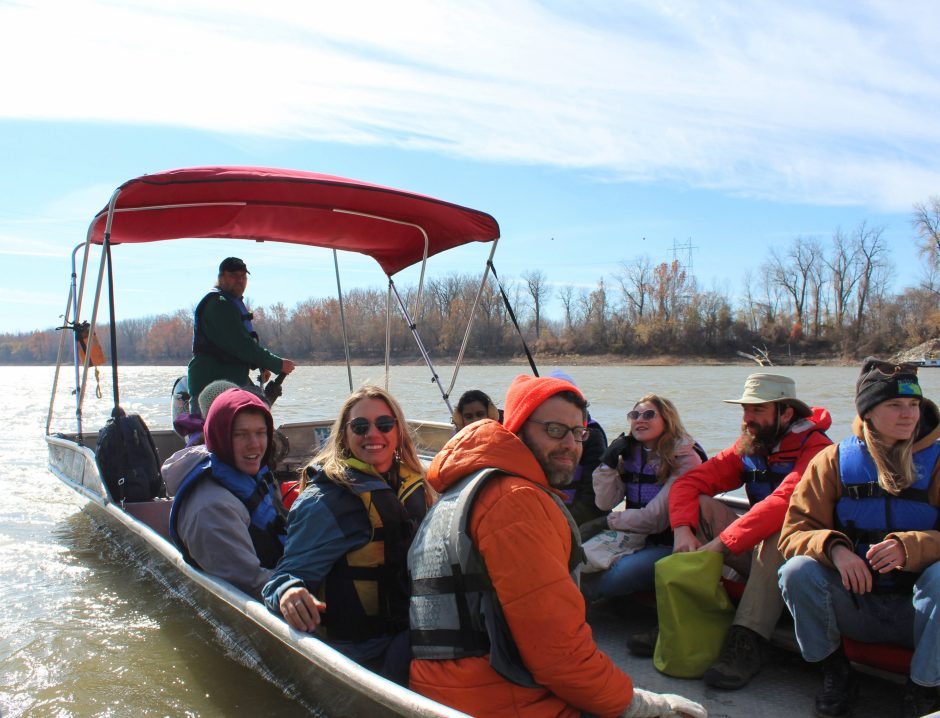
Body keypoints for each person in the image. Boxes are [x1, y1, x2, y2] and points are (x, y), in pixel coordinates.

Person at [408, 374, 706, 718]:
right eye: (554, 430)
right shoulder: (516, 502)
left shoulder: (467, 485)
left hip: (451, 689)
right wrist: (641, 705)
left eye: (579, 433)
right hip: (501, 700)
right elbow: (560, 659)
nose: (571, 444)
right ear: (517, 427)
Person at [778, 358, 940, 718]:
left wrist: (909, 547)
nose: (908, 415)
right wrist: (835, 549)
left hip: (922, 614)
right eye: (894, 405)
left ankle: (924, 688)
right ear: (867, 412)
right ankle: (836, 673)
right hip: (855, 604)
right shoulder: (832, 460)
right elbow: (792, 534)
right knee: (796, 571)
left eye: (914, 405)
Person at [654, 373, 832, 690]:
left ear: (786, 412)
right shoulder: (751, 445)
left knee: (779, 532)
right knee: (701, 504)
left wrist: (721, 545)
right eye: (745, 410)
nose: (748, 419)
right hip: (755, 550)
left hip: (805, 561)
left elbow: (784, 503)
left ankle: (746, 641)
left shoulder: (817, 449)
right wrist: (682, 529)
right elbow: (688, 483)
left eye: (758, 410)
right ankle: (687, 620)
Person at [262, 386, 428, 686]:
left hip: (418, 634)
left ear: (398, 431)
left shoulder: (417, 485)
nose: (373, 434)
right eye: (360, 427)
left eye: (384, 425)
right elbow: (284, 576)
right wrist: (288, 592)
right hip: (365, 655)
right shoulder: (327, 501)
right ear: (344, 437)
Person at [581, 394, 705, 600]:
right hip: (636, 537)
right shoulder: (631, 453)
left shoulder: (685, 458)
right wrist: (608, 463)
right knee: (578, 556)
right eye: (634, 415)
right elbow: (605, 502)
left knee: (620, 574)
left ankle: (582, 596)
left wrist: (606, 522)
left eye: (648, 414)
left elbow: (656, 519)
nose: (640, 419)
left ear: (667, 419)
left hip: (670, 542)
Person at [166, 387, 287, 599]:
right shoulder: (212, 507)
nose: (255, 445)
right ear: (219, 436)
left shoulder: (248, 474)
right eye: (240, 434)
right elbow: (252, 585)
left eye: (261, 433)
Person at [187, 256, 296, 416]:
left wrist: (260, 365)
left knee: (257, 407)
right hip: (211, 385)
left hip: (232, 380)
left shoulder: (229, 302)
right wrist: (277, 364)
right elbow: (242, 345)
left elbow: (238, 346)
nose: (239, 280)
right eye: (233, 276)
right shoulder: (219, 304)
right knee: (220, 432)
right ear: (221, 278)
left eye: (243, 276)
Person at [548, 369, 610, 525]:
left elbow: (593, 496)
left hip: (580, 520)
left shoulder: (592, 435)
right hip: (548, 514)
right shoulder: (539, 434)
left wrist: (564, 523)